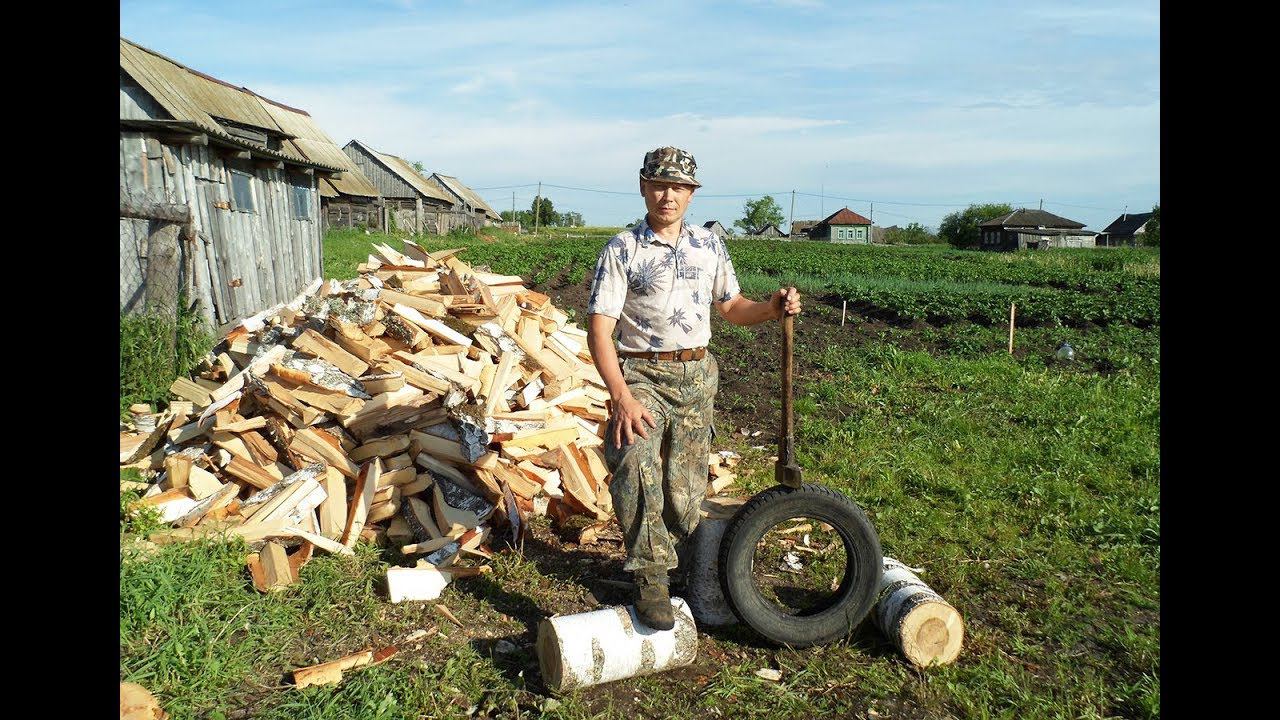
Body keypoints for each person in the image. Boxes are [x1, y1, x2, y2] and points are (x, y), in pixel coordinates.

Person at [586, 146, 803, 630]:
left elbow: (731, 307)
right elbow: (600, 328)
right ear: (643, 187)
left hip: (697, 375)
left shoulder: (709, 247)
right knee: (634, 459)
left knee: (683, 493)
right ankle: (650, 577)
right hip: (641, 374)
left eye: (679, 187)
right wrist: (621, 396)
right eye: (660, 185)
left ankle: (687, 562)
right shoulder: (623, 249)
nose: (669, 195)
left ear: (691, 194)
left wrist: (770, 309)